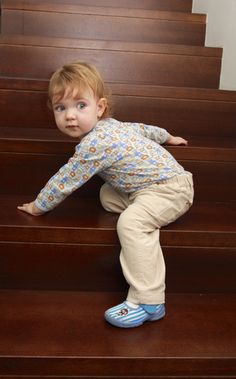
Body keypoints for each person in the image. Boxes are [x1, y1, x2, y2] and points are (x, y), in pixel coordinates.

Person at [18, 61, 194, 328]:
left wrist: (39, 206)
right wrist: (167, 136)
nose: (70, 116)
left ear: (99, 108)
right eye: (60, 108)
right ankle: (142, 213)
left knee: (131, 223)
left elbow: (66, 179)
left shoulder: (94, 144)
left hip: (170, 190)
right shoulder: (112, 125)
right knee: (107, 194)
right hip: (149, 187)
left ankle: (149, 301)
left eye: (80, 105)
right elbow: (144, 129)